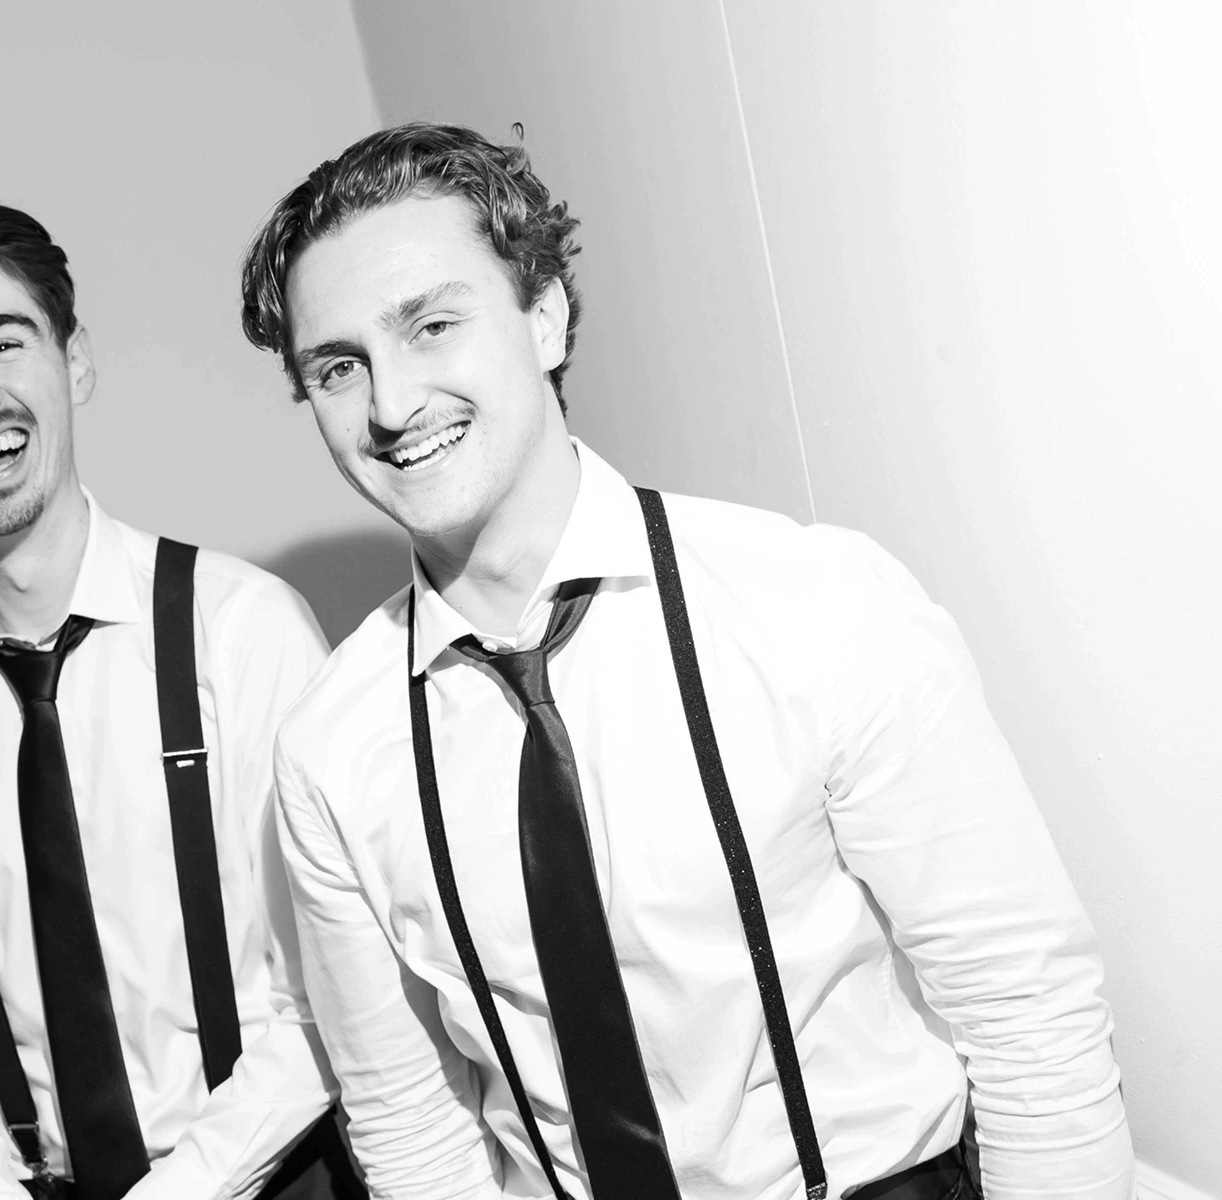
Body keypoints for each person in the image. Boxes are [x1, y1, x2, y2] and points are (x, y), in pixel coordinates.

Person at [239, 123, 1132, 1199]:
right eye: (339, 367)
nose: (390, 405)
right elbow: (409, 1124)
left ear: (543, 315)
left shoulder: (811, 603)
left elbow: (1025, 1005)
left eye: (431, 325)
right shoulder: (330, 751)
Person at [0, 198, 354, 1200]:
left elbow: (328, 990)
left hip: (273, 1176)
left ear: (75, 363)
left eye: (3, 343)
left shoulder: (241, 630)